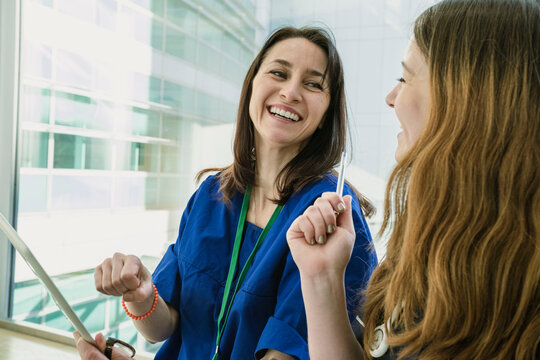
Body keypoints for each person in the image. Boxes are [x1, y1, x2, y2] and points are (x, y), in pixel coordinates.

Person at [74, 26, 378, 360]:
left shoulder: (329, 216)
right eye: (278, 72)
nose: (290, 92)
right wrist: (140, 294)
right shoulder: (211, 195)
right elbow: (163, 327)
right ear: (251, 87)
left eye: (312, 84)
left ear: (326, 115)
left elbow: (288, 353)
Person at [287, 0, 540, 359]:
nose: (391, 98)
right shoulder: (430, 236)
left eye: (404, 78)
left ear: (466, 99)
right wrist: (321, 278)